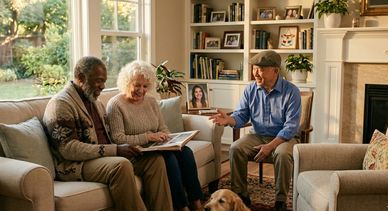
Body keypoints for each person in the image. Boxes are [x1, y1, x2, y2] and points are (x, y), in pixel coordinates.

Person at [43, 56, 173, 211]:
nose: (103, 86)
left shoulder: (95, 101)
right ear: (80, 78)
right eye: (98, 80)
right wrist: (116, 149)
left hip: (104, 156)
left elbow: (111, 136)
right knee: (121, 165)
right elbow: (69, 149)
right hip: (77, 164)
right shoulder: (61, 104)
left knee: (154, 160)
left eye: (104, 81)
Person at [209, 50, 301, 211]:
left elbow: (290, 127)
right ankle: (240, 195)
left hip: (284, 138)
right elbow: (241, 115)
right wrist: (229, 120)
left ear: (275, 71)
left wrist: (270, 146)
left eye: (261, 69)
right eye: (254, 69)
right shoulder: (250, 89)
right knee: (236, 148)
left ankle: (280, 201)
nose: (256, 74)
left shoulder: (291, 91)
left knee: (283, 154)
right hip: (257, 135)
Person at [106, 60, 203, 211]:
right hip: (136, 153)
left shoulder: (151, 102)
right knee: (169, 160)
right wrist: (148, 137)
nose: (141, 90)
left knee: (186, 153)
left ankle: (196, 203)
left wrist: (168, 138)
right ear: (126, 82)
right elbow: (117, 138)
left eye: (145, 86)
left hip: (157, 146)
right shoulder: (116, 104)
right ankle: (181, 206)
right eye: (137, 85)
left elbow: (162, 127)